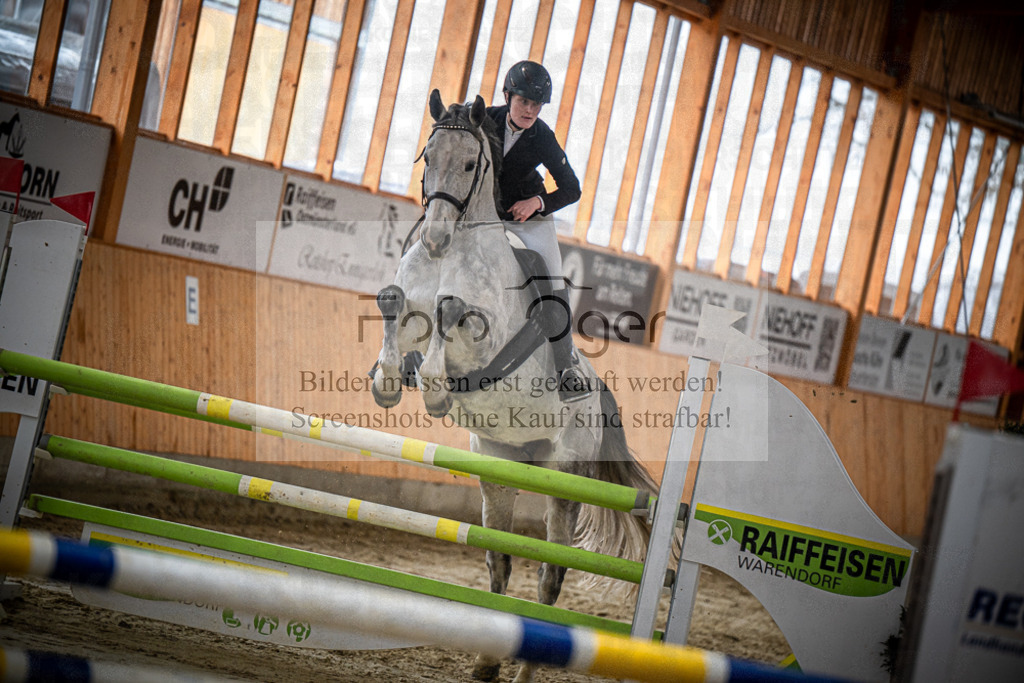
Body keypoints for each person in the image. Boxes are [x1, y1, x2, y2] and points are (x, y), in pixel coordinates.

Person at [485, 60, 590, 403]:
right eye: (523, 102)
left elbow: (572, 188)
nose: (530, 110)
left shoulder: (542, 135)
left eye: (536, 104)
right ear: (507, 95)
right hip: (484, 212)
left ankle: (566, 368)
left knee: (553, 280)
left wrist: (538, 203)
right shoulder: (484, 119)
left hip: (527, 217)